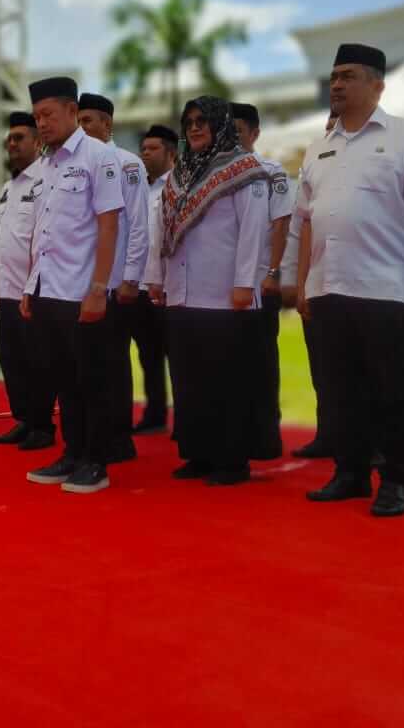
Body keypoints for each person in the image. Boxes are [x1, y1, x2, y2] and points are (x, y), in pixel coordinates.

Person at [297, 43, 404, 517]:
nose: (337, 84)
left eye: (348, 75)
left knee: (392, 392)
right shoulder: (319, 147)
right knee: (340, 391)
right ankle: (351, 473)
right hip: (327, 287)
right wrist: (304, 283)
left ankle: (396, 480)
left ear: (377, 85)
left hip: (383, 288)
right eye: (334, 76)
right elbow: (307, 220)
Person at [145, 96, 270, 485]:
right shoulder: (179, 175)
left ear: (221, 124)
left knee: (226, 383)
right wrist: (155, 278)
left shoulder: (244, 170)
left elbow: (254, 232)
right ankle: (198, 454)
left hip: (224, 296)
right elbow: (160, 232)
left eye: (203, 121)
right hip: (181, 293)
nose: (195, 127)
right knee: (189, 380)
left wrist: (244, 284)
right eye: (189, 122)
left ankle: (232, 461)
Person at [21, 76, 123, 494]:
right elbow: (43, 231)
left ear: (71, 110)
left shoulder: (100, 156)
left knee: (92, 379)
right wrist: (30, 286)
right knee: (63, 379)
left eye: (48, 114)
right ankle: (72, 453)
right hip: (49, 290)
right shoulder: (46, 165)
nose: (42, 124)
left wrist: (99, 288)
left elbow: (109, 224)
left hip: (82, 289)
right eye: (36, 117)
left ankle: (96, 461)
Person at [76, 94, 148, 463]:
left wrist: (131, 278)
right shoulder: (73, 166)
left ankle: (119, 438)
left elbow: (138, 224)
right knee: (85, 366)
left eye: (88, 121)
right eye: (78, 121)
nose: (82, 128)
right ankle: (90, 437)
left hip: (115, 283)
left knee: (113, 364)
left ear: (107, 124)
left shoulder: (127, 163)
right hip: (79, 284)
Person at [0, 112, 56, 450]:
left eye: (19, 138)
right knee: (11, 359)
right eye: (9, 139)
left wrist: (32, 287)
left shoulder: (46, 180)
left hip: (33, 291)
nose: (12, 144)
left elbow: (45, 240)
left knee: (37, 361)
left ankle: (42, 426)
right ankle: (24, 420)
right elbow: (3, 240)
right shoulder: (8, 187)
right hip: (6, 289)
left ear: (38, 142)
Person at [231, 102, 293, 462]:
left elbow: (281, 224)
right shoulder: (214, 175)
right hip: (224, 288)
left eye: (238, 131)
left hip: (259, 283)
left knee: (262, 364)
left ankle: (266, 439)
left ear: (255, 134)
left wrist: (273, 272)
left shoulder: (271, 172)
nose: (231, 138)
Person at [281, 110, 338, 459]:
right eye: (329, 128)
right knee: (322, 366)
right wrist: (296, 282)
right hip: (318, 282)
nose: (333, 133)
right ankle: (329, 434)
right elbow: (298, 231)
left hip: (362, 285)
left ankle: (371, 441)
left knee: (361, 370)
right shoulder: (313, 168)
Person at [133, 124, 178, 434]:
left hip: (171, 285)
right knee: (148, 355)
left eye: (152, 149)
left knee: (178, 356)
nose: (145, 154)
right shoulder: (139, 189)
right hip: (139, 285)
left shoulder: (179, 186)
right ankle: (155, 413)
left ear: (171, 152)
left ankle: (186, 418)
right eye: (143, 149)